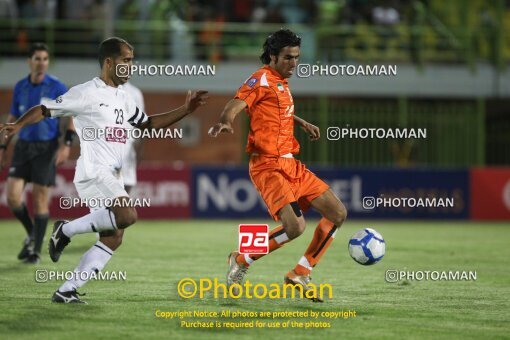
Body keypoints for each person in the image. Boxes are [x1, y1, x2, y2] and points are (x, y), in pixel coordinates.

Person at [0, 37, 208, 303]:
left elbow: (147, 124)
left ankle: (66, 290)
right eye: (126, 61)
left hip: (111, 175)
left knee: (114, 236)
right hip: (94, 171)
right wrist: (17, 125)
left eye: (132, 61)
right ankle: (65, 230)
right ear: (109, 62)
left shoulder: (123, 97)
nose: (131, 67)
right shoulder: (86, 92)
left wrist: (186, 110)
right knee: (128, 215)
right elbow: (45, 109)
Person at [208, 29, 347, 302]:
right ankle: (241, 257)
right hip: (268, 166)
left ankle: (301, 272)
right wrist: (226, 120)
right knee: (295, 227)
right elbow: (237, 102)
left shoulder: (281, 81)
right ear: (272, 56)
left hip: (291, 164)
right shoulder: (259, 78)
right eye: (287, 58)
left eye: (296, 58)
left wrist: (301, 121)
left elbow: (277, 109)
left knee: (337, 212)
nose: (294, 64)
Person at [0, 42, 73, 264]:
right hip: (23, 146)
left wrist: (66, 144)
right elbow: (13, 118)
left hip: (46, 147)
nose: (41, 63)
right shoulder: (21, 86)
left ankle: (36, 251)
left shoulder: (57, 86)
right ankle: (33, 233)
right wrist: (3, 146)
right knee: (12, 197)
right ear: (29, 61)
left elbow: (71, 115)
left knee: (40, 199)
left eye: (45, 59)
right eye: (37, 58)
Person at [120, 81, 144, 194]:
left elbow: (143, 124)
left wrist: (140, 150)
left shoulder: (135, 93)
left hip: (128, 151)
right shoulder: (100, 89)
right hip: (105, 150)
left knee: (125, 192)